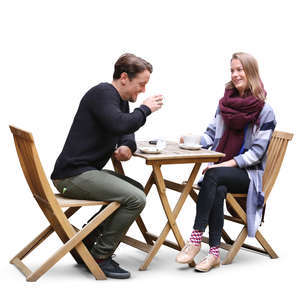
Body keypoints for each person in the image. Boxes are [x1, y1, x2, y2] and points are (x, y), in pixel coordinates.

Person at [51, 53, 163, 279]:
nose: (142, 90)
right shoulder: (102, 94)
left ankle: (90, 238)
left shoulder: (118, 101)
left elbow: (125, 129)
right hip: (71, 176)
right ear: (124, 78)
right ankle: (101, 256)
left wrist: (127, 147)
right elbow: (119, 122)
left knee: (137, 191)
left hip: (84, 172)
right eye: (141, 84)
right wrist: (145, 110)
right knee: (136, 198)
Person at [176, 52, 276, 272]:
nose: (235, 74)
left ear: (251, 72)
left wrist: (223, 165)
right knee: (217, 187)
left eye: (240, 69)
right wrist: (192, 140)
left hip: (248, 174)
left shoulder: (264, 111)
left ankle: (194, 239)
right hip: (223, 173)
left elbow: (256, 154)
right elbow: (211, 136)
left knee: (212, 175)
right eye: (232, 70)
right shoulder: (225, 104)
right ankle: (213, 254)